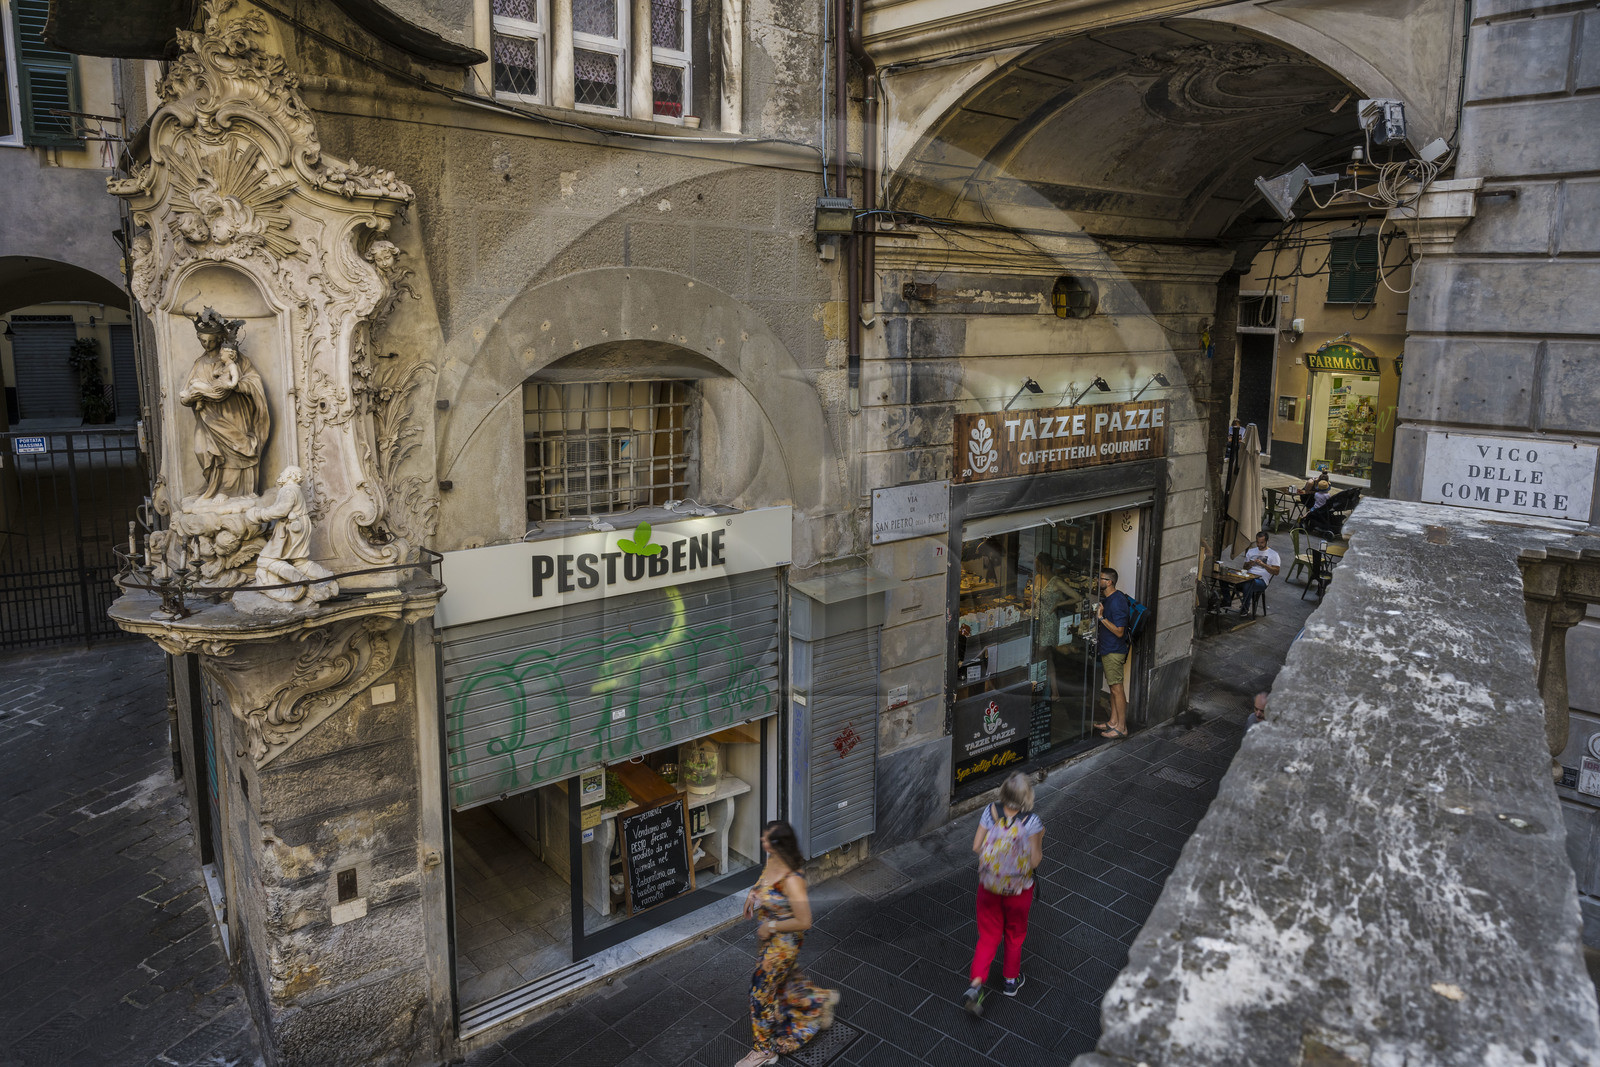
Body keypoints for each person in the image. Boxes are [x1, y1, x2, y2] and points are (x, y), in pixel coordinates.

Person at [737, 821, 838, 1067]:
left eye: (766, 840)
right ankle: (818, 1000)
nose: (762, 842)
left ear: (779, 845)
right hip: (769, 935)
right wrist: (753, 894)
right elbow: (764, 881)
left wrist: (770, 927)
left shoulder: (792, 879)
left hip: (783, 943)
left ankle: (764, 1051)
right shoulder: (772, 859)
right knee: (786, 980)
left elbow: (805, 921)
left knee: (759, 990)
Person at [963, 773, 1045, 1014]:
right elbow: (1035, 860)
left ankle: (976, 984)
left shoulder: (991, 811)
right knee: (1014, 934)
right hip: (1018, 890)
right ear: (1027, 796)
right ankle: (1010, 980)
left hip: (989, 887)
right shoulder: (1032, 822)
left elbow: (976, 846)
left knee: (988, 936)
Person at [178, 310, 270, 502]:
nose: (207, 345)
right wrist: (189, 398)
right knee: (202, 450)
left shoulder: (238, 360)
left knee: (234, 451)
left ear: (220, 339)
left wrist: (236, 387)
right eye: (203, 340)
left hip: (233, 413)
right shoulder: (200, 363)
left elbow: (254, 383)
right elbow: (186, 391)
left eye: (211, 340)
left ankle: (229, 491)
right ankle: (213, 487)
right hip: (208, 416)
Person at [1094, 567, 1131, 739]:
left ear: (1109, 582)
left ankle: (1121, 727)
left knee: (1117, 689)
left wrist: (1101, 618)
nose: (1097, 581)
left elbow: (1119, 631)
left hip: (1114, 651)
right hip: (1108, 649)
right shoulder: (1110, 598)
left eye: (1100, 578)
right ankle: (1113, 722)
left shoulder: (1117, 602)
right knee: (1112, 687)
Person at [1238, 530, 1281, 616]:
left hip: (1261, 581)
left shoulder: (1273, 554)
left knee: (1248, 584)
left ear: (1267, 541)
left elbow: (1276, 572)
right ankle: (1227, 601)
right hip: (1248, 577)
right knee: (1225, 578)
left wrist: (1264, 565)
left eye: (1262, 542)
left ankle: (1245, 608)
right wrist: (1250, 564)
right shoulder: (1251, 551)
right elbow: (1244, 568)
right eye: (1257, 542)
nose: (1259, 545)